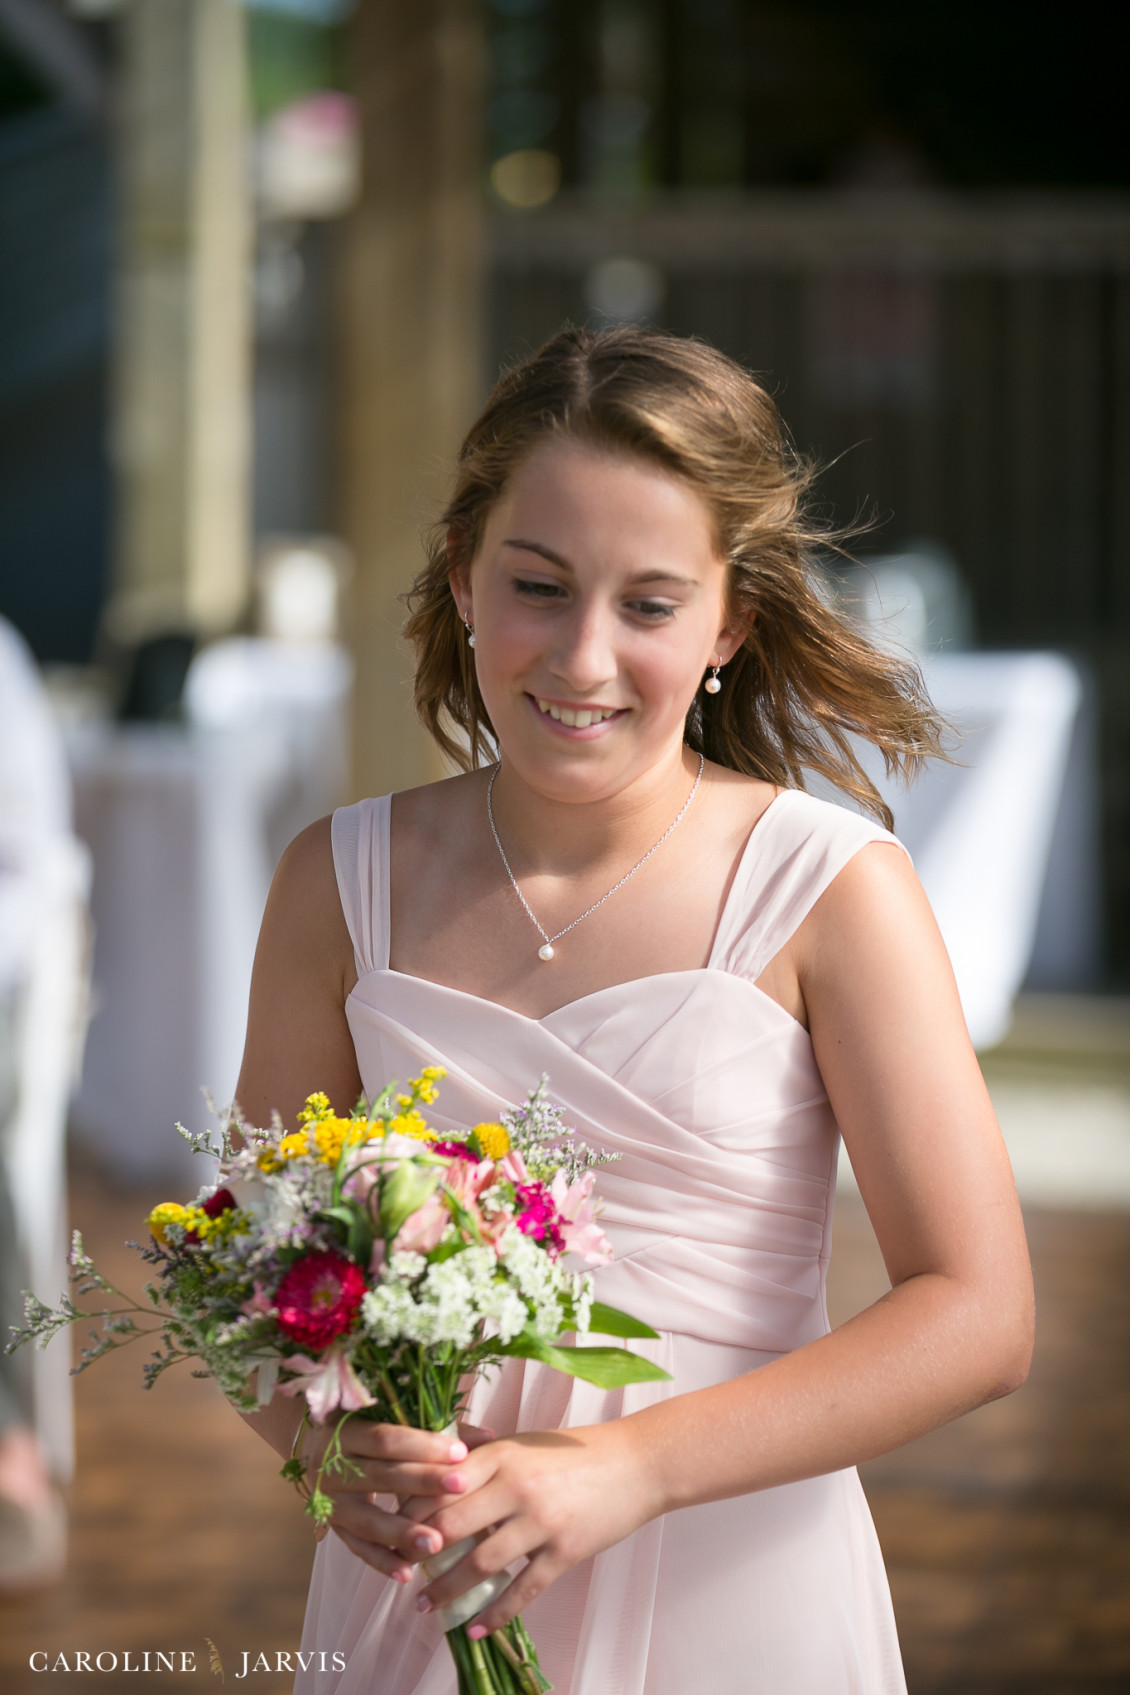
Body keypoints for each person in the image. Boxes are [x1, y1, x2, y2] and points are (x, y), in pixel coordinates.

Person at [236, 326, 1033, 1694]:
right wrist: (328, 1452)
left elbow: (980, 1314)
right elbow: (257, 1263)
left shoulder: (827, 890)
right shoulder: (338, 880)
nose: (584, 657)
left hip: (737, 1584)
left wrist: (630, 1468)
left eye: (650, 606)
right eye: (538, 586)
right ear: (462, 578)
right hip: (428, 1586)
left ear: (730, 623)